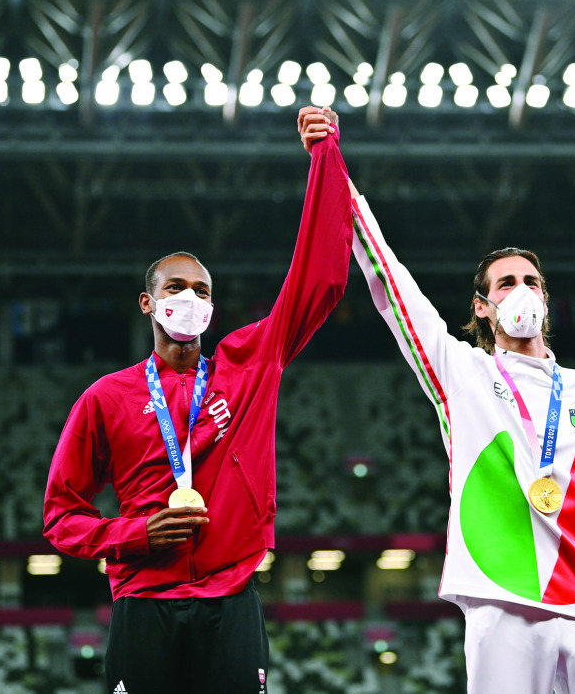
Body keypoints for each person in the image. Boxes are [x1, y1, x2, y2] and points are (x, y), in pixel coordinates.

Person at [298, 106, 575, 694]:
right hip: (500, 600)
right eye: (505, 284)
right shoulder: (462, 372)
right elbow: (389, 283)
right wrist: (332, 167)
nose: (521, 291)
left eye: (531, 282)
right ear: (483, 308)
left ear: (546, 298)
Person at [43, 111, 351, 694]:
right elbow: (60, 515)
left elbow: (320, 277)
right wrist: (131, 534)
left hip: (231, 599)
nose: (190, 298)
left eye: (202, 291)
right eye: (176, 288)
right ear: (148, 303)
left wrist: (324, 159)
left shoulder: (251, 364)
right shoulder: (107, 397)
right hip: (143, 601)